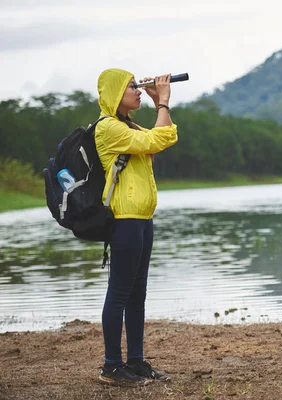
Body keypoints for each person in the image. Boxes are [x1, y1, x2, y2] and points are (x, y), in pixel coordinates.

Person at [94, 68, 178, 385]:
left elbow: (159, 142)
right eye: (132, 86)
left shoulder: (129, 127)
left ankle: (137, 361)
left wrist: (161, 106)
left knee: (137, 294)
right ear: (116, 92)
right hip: (124, 217)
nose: (138, 90)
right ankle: (111, 366)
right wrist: (164, 103)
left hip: (142, 217)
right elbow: (159, 137)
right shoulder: (108, 128)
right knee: (119, 293)